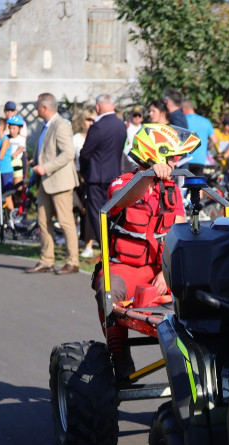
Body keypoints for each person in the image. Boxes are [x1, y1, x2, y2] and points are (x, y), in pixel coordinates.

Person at [94, 124, 198, 379]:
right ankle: (118, 353)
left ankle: (196, 361)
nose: (176, 162)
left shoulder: (171, 188)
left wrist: (168, 272)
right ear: (156, 154)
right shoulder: (124, 182)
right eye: (172, 156)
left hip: (159, 269)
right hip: (124, 269)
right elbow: (122, 200)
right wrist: (149, 175)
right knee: (107, 289)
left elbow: (181, 234)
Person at [25, 92, 81, 275]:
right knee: (42, 220)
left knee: (65, 222)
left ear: (45, 108)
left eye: (37, 106)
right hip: (46, 181)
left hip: (60, 182)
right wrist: (36, 164)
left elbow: (68, 154)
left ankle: (73, 262)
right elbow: (43, 150)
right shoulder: (46, 126)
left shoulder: (60, 126)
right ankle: (47, 260)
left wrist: (46, 167)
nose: (35, 109)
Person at [80, 94, 128, 259]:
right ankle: (113, 248)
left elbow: (85, 153)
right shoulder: (121, 125)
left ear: (98, 107)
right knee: (113, 214)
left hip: (96, 177)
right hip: (114, 175)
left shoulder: (98, 126)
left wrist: (84, 172)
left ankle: (106, 251)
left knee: (97, 215)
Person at [181, 98, 217, 175]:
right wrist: (206, 149)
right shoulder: (206, 121)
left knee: (182, 185)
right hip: (200, 160)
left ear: (183, 109)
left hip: (185, 160)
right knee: (196, 185)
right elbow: (214, 140)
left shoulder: (182, 121)